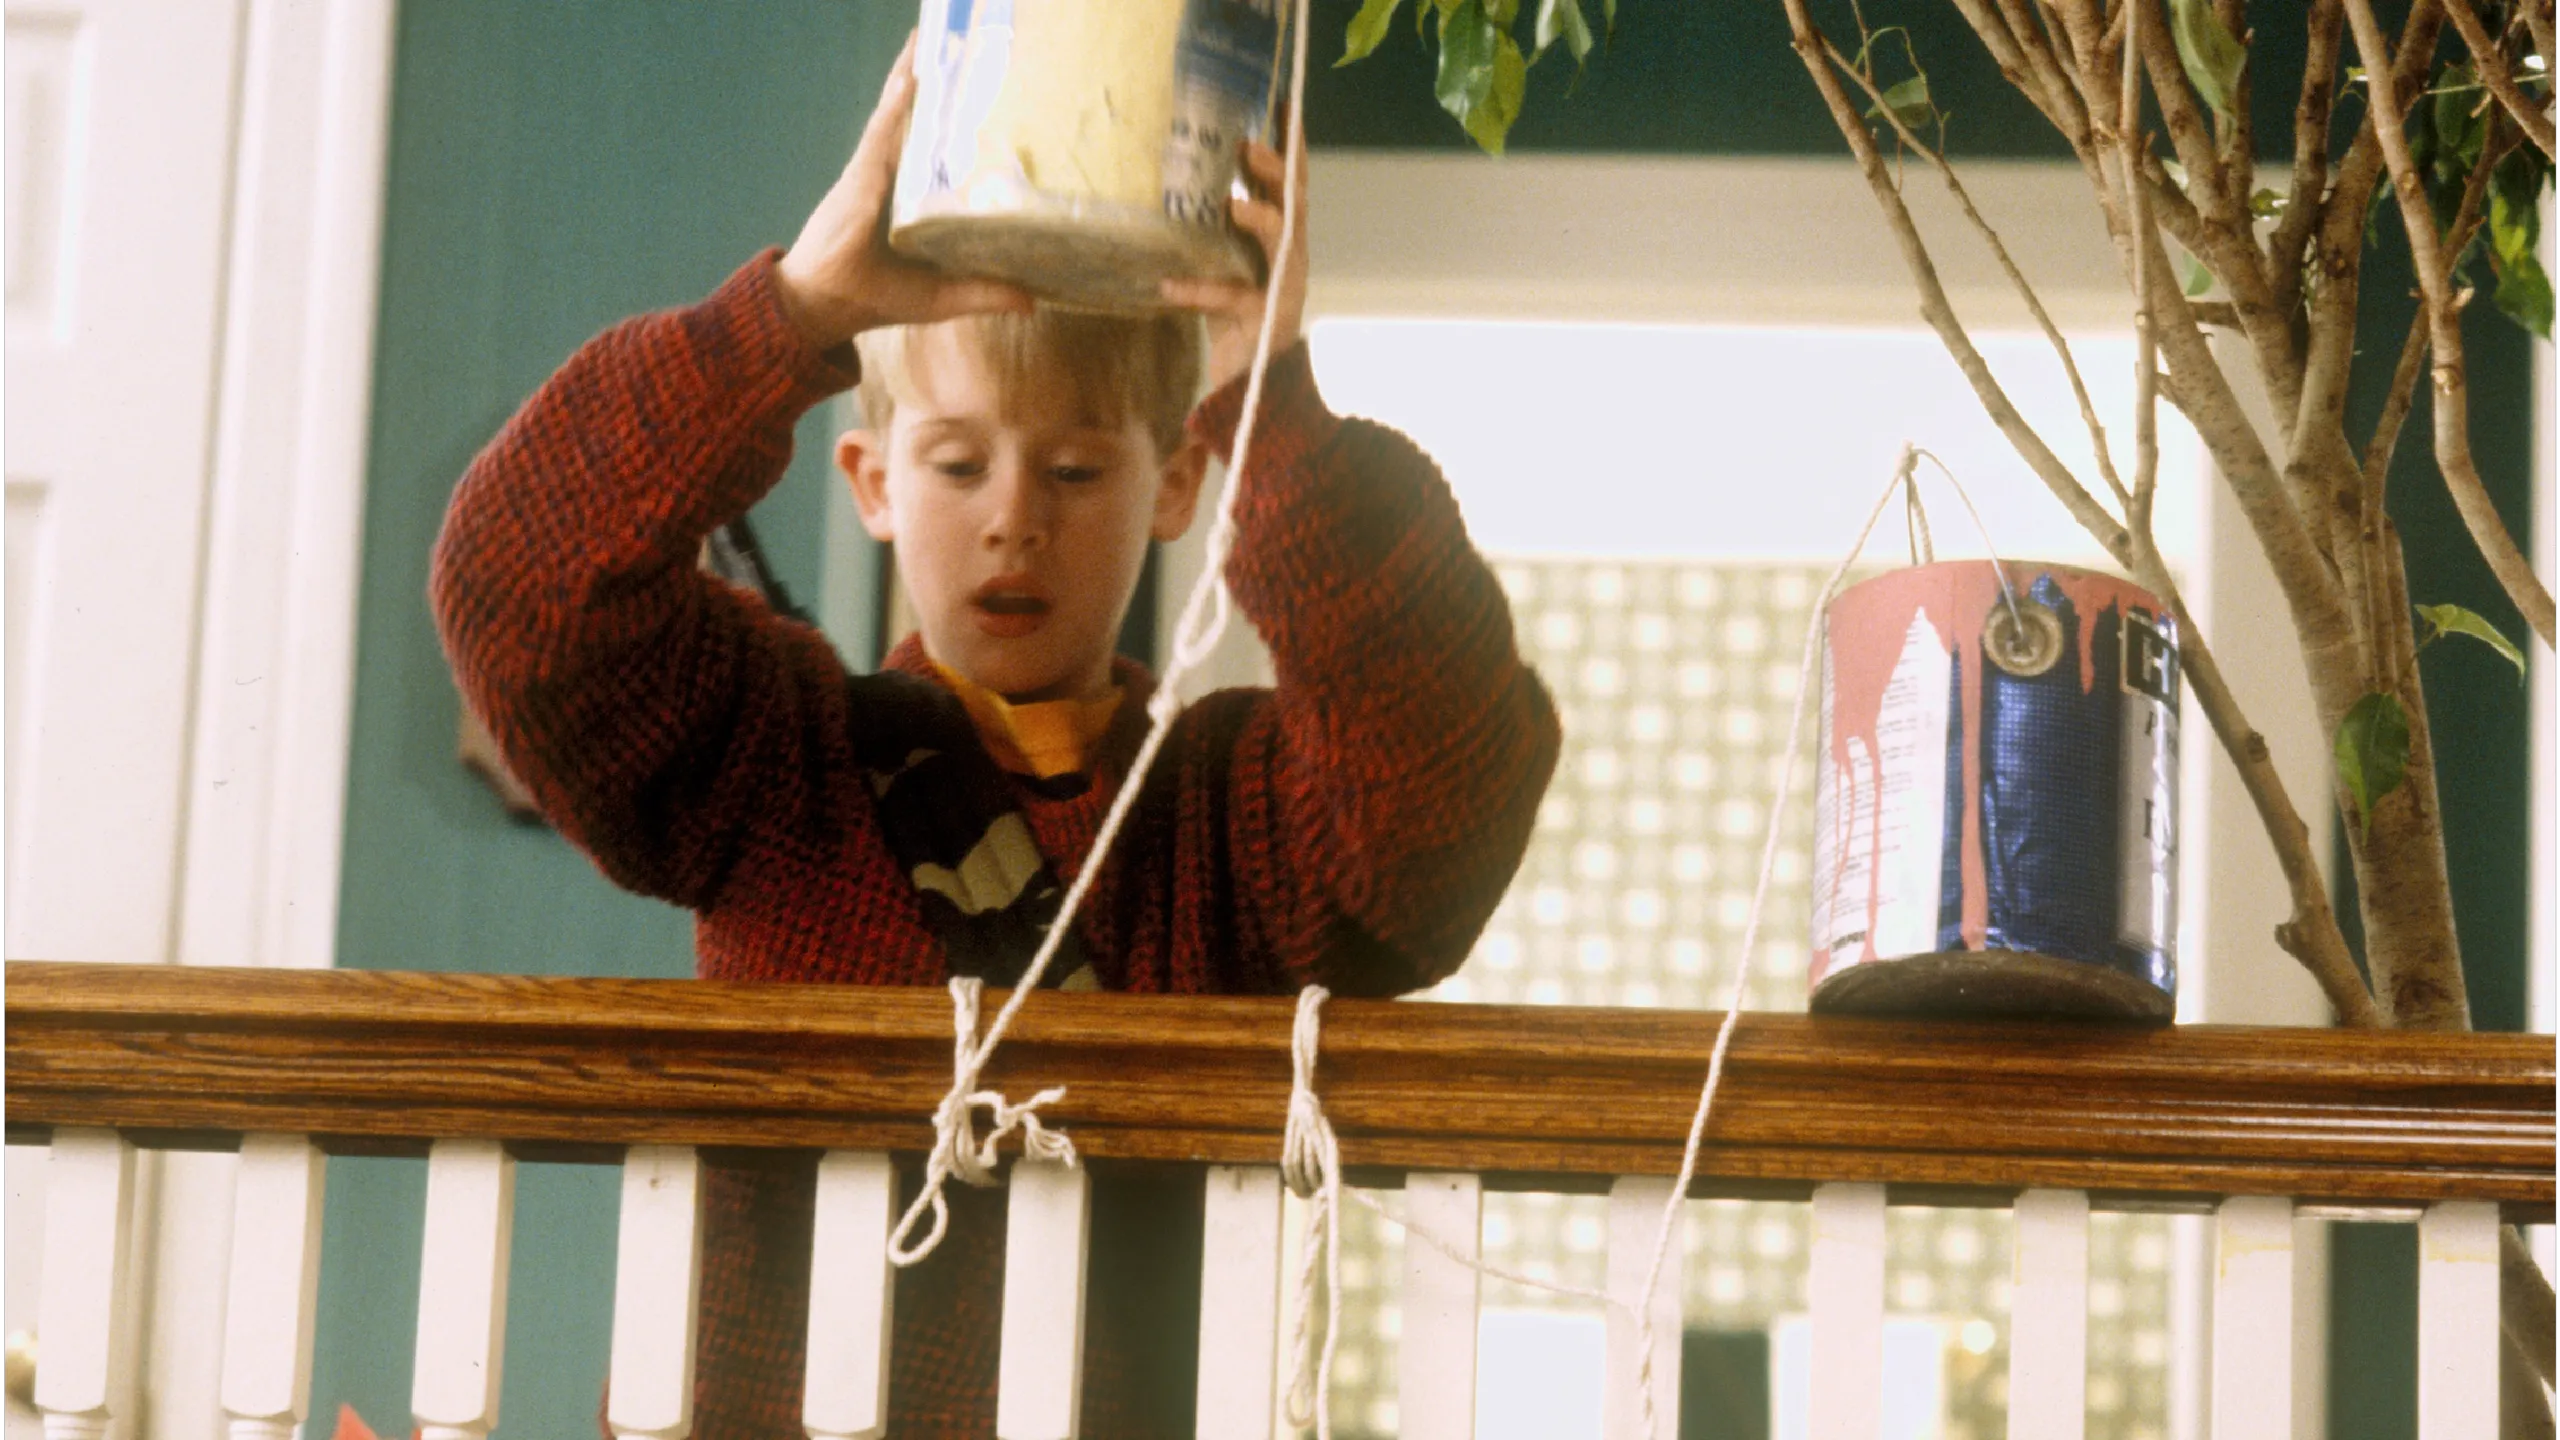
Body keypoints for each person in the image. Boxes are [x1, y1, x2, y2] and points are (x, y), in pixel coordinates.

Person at [431, 34, 1558, 1440]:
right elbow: (515, 590)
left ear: (1178, 482)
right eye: (958, 462)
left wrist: (1277, 402)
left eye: (1078, 467)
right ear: (871, 481)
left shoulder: (1227, 816)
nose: (1015, 513)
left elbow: (1442, 794)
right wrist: (785, 317)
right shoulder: (777, 764)